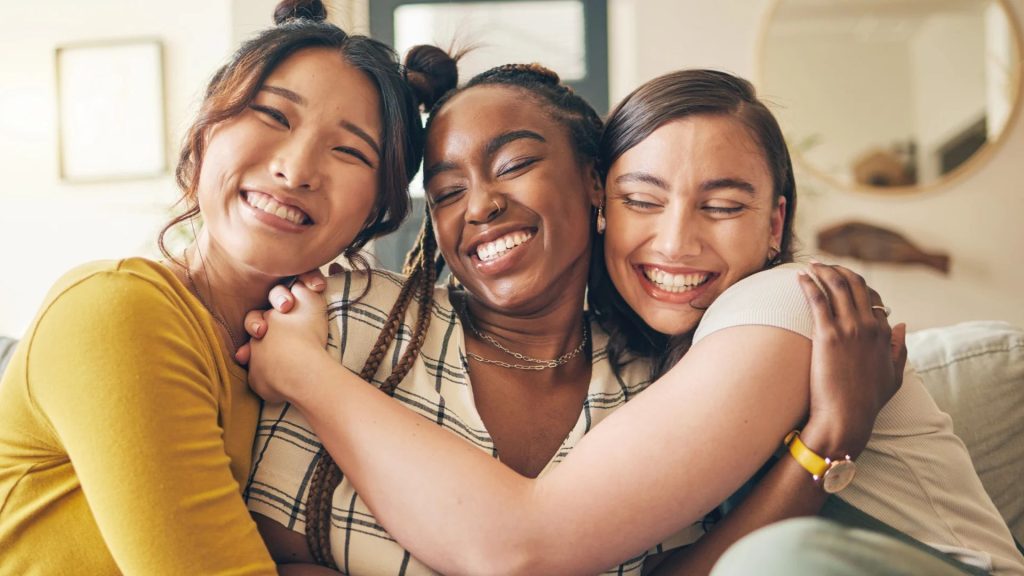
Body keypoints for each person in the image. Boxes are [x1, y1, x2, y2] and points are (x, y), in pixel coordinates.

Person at [246, 68, 1024, 575]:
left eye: (722, 206)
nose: (677, 240)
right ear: (612, 203)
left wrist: (306, 375)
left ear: (775, 218)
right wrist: (823, 445)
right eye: (645, 201)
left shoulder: (788, 304)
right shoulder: (666, 367)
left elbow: (526, 547)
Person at [0, 0, 453, 573]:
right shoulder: (117, 308)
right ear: (207, 130)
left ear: (376, 211)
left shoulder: (310, 351)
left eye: (348, 150)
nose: (296, 168)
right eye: (274, 116)